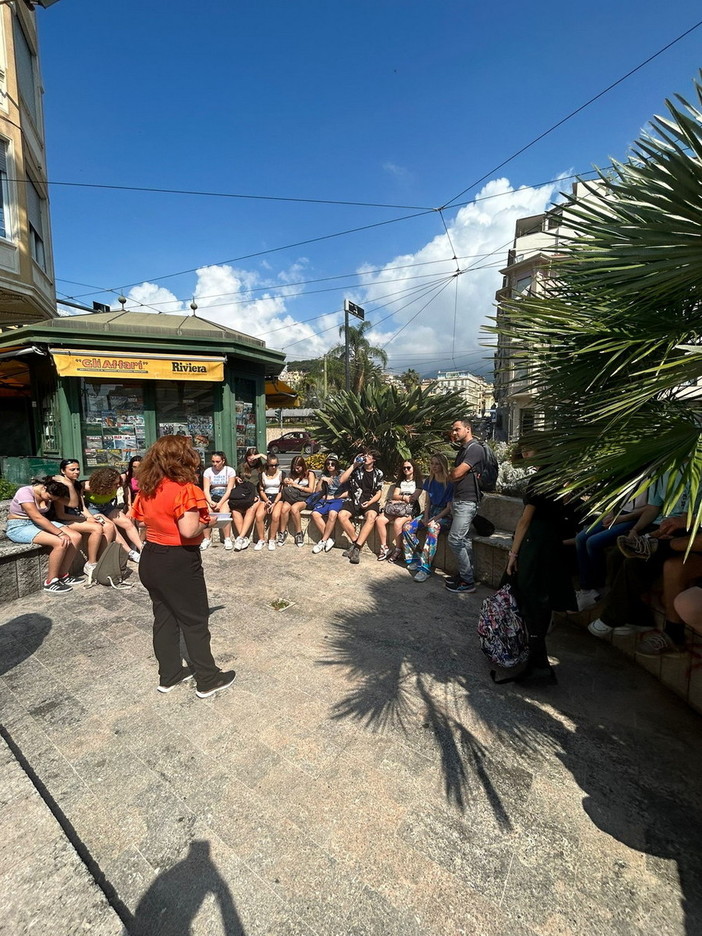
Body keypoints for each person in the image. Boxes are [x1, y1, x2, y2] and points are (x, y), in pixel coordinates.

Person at [131, 435, 235, 698]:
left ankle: (169, 674)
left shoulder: (148, 487)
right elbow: (189, 530)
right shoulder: (186, 489)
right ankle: (208, 679)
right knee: (195, 621)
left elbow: (142, 522)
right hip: (178, 560)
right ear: (183, 458)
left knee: (164, 619)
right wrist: (210, 522)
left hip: (151, 557)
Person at [505, 437, 577, 682]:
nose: (526, 454)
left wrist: (513, 554)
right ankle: (538, 660)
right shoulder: (561, 477)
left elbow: (525, 520)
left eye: (530, 448)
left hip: (536, 543)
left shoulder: (541, 479)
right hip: (553, 544)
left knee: (532, 598)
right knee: (541, 600)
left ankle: (539, 664)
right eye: (523, 450)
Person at [6, 478, 84, 594]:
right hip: (19, 526)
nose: (51, 500)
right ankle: (50, 581)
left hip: (38, 523)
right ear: (44, 488)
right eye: (49, 498)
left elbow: (73, 504)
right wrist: (60, 533)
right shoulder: (25, 492)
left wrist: (69, 485)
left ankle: (63, 574)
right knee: (59, 542)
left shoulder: (53, 492)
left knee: (76, 537)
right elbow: (36, 517)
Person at [51, 458, 114, 569]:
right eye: (72, 469)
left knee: (108, 526)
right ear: (63, 471)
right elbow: (61, 515)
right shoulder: (60, 487)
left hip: (77, 516)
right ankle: (91, 563)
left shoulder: (77, 485)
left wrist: (90, 517)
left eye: (78, 469)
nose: (76, 472)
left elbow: (82, 507)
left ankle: (102, 560)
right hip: (64, 520)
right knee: (97, 528)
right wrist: (84, 519)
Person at [445, 418, 484, 593]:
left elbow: (455, 474)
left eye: (457, 429)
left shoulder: (475, 449)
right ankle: (465, 575)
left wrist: (454, 474)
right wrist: (454, 475)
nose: (454, 432)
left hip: (468, 501)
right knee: (465, 540)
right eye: (453, 430)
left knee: (454, 539)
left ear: (468, 429)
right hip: (460, 499)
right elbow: (454, 475)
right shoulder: (464, 449)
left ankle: (467, 582)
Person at [402, 453, 454, 583]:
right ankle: (416, 557)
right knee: (407, 527)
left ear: (442, 465)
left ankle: (425, 568)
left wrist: (434, 519)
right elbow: (428, 502)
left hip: (444, 515)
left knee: (432, 528)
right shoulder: (429, 481)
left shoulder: (449, 483)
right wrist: (425, 517)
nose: (434, 466)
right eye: (432, 463)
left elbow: (448, 508)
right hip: (430, 512)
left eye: (437, 464)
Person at [84, 467, 144, 571]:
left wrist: (128, 506)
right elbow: (76, 491)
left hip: (107, 506)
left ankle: (142, 549)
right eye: (115, 484)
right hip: (93, 508)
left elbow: (126, 486)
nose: (118, 486)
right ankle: (130, 552)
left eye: (118, 483)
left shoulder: (121, 481)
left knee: (127, 522)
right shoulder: (89, 486)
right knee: (112, 527)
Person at [337, 449, 384, 564]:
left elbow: (379, 492)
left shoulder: (378, 473)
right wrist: (354, 465)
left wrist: (369, 502)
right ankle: (355, 542)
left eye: (368, 456)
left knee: (372, 516)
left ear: (374, 459)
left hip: (369, 501)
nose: (365, 457)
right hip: (354, 500)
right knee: (341, 515)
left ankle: (357, 548)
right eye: (365, 455)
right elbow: (341, 480)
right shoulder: (356, 470)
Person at [376, 459, 423, 562]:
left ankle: (398, 549)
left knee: (398, 523)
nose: (406, 470)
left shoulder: (418, 482)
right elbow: (394, 495)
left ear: (413, 468)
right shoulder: (400, 481)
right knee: (380, 520)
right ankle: (384, 547)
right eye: (404, 468)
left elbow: (413, 498)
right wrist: (403, 498)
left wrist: (401, 497)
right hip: (398, 508)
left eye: (408, 467)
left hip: (410, 509)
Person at [200, 452, 237, 551]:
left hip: (225, 494)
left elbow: (229, 489)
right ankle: (207, 538)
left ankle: (227, 538)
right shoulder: (208, 471)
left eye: (217, 461)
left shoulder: (230, 471)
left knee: (224, 513)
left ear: (223, 461)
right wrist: (210, 501)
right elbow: (206, 489)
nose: (215, 464)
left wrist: (220, 503)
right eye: (213, 461)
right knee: (206, 512)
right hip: (212, 494)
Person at [278, 455, 316, 547]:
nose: (296, 470)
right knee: (284, 509)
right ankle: (282, 532)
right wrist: (286, 482)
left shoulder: (309, 474)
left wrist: (296, 485)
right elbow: (288, 488)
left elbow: (311, 490)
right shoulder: (292, 474)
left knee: (294, 509)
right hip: (292, 497)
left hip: (303, 497)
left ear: (303, 466)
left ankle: (299, 533)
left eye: (298, 468)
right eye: (294, 468)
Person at [310, 454, 345, 554]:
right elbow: (317, 491)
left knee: (333, 513)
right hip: (325, 499)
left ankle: (323, 541)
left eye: (333, 463)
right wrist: (321, 480)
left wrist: (334, 497)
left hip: (338, 499)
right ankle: (329, 539)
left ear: (337, 464)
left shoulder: (342, 474)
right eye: (328, 463)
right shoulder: (324, 474)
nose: (330, 466)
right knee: (315, 514)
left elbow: (348, 492)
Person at [253, 454, 284, 550]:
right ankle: (261, 539)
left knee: (275, 516)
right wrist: (266, 500)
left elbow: (281, 491)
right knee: (259, 516)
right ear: (267, 464)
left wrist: (274, 503)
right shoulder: (262, 474)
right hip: (266, 497)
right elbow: (261, 490)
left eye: (276, 465)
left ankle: (272, 539)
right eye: (271, 465)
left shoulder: (281, 474)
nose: (274, 467)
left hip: (277, 498)